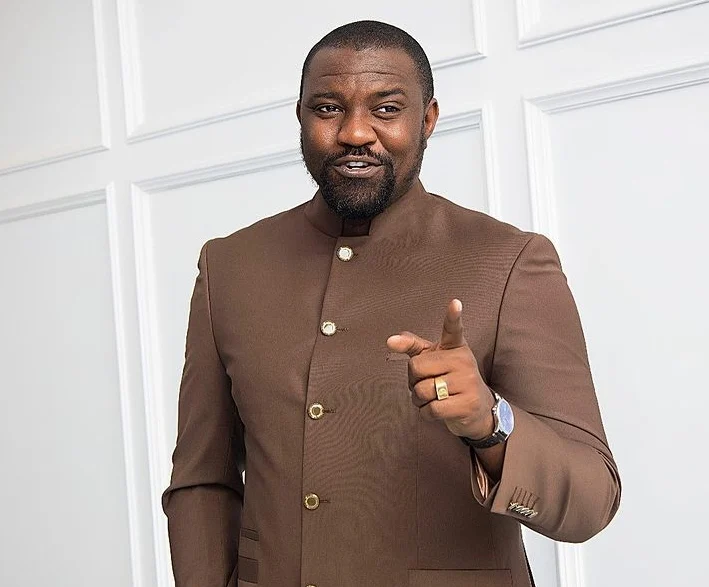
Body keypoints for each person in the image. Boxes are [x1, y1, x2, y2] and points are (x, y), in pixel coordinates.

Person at [162, 20, 621, 587]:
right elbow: (201, 480)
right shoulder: (229, 266)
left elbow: (592, 501)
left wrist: (490, 423)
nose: (355, 132)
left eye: (386, 109)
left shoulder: (510, 261)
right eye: (328, 109)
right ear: (300, 117)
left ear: (427, 119)